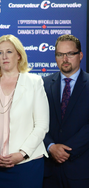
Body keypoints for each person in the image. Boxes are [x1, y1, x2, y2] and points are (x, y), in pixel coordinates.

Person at [0, 34, 49, 188]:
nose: (4, 57)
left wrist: (21, 154)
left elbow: (42, 125)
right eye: (0, 53)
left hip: (27, 164)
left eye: (9, 52)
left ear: (19, 55)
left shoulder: (34, 82)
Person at [43, 34, 89, 188]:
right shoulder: (43, 84)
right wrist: (50, 146)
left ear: (80, 55)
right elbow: (34, 120)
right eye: (60, 54)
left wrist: (67, 150)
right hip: (48, 171)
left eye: (70, 54)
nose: (65, 59)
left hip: (81, 169)